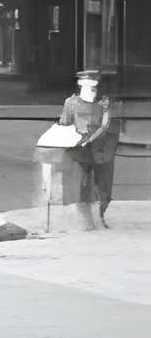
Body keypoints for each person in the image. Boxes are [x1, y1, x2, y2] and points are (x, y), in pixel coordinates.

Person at [58, 70, 122, 228]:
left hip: (102, 152)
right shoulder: (71, 103)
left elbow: (113, 130)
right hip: (79, 152)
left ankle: (100, 215)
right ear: (81, 86)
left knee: (104, 188)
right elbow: (64, 126)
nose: (93, 92)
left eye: (95, 88)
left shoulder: (104, 105)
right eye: (89, 88)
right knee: (82, 186)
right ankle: (86, 219)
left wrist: (108, 153)